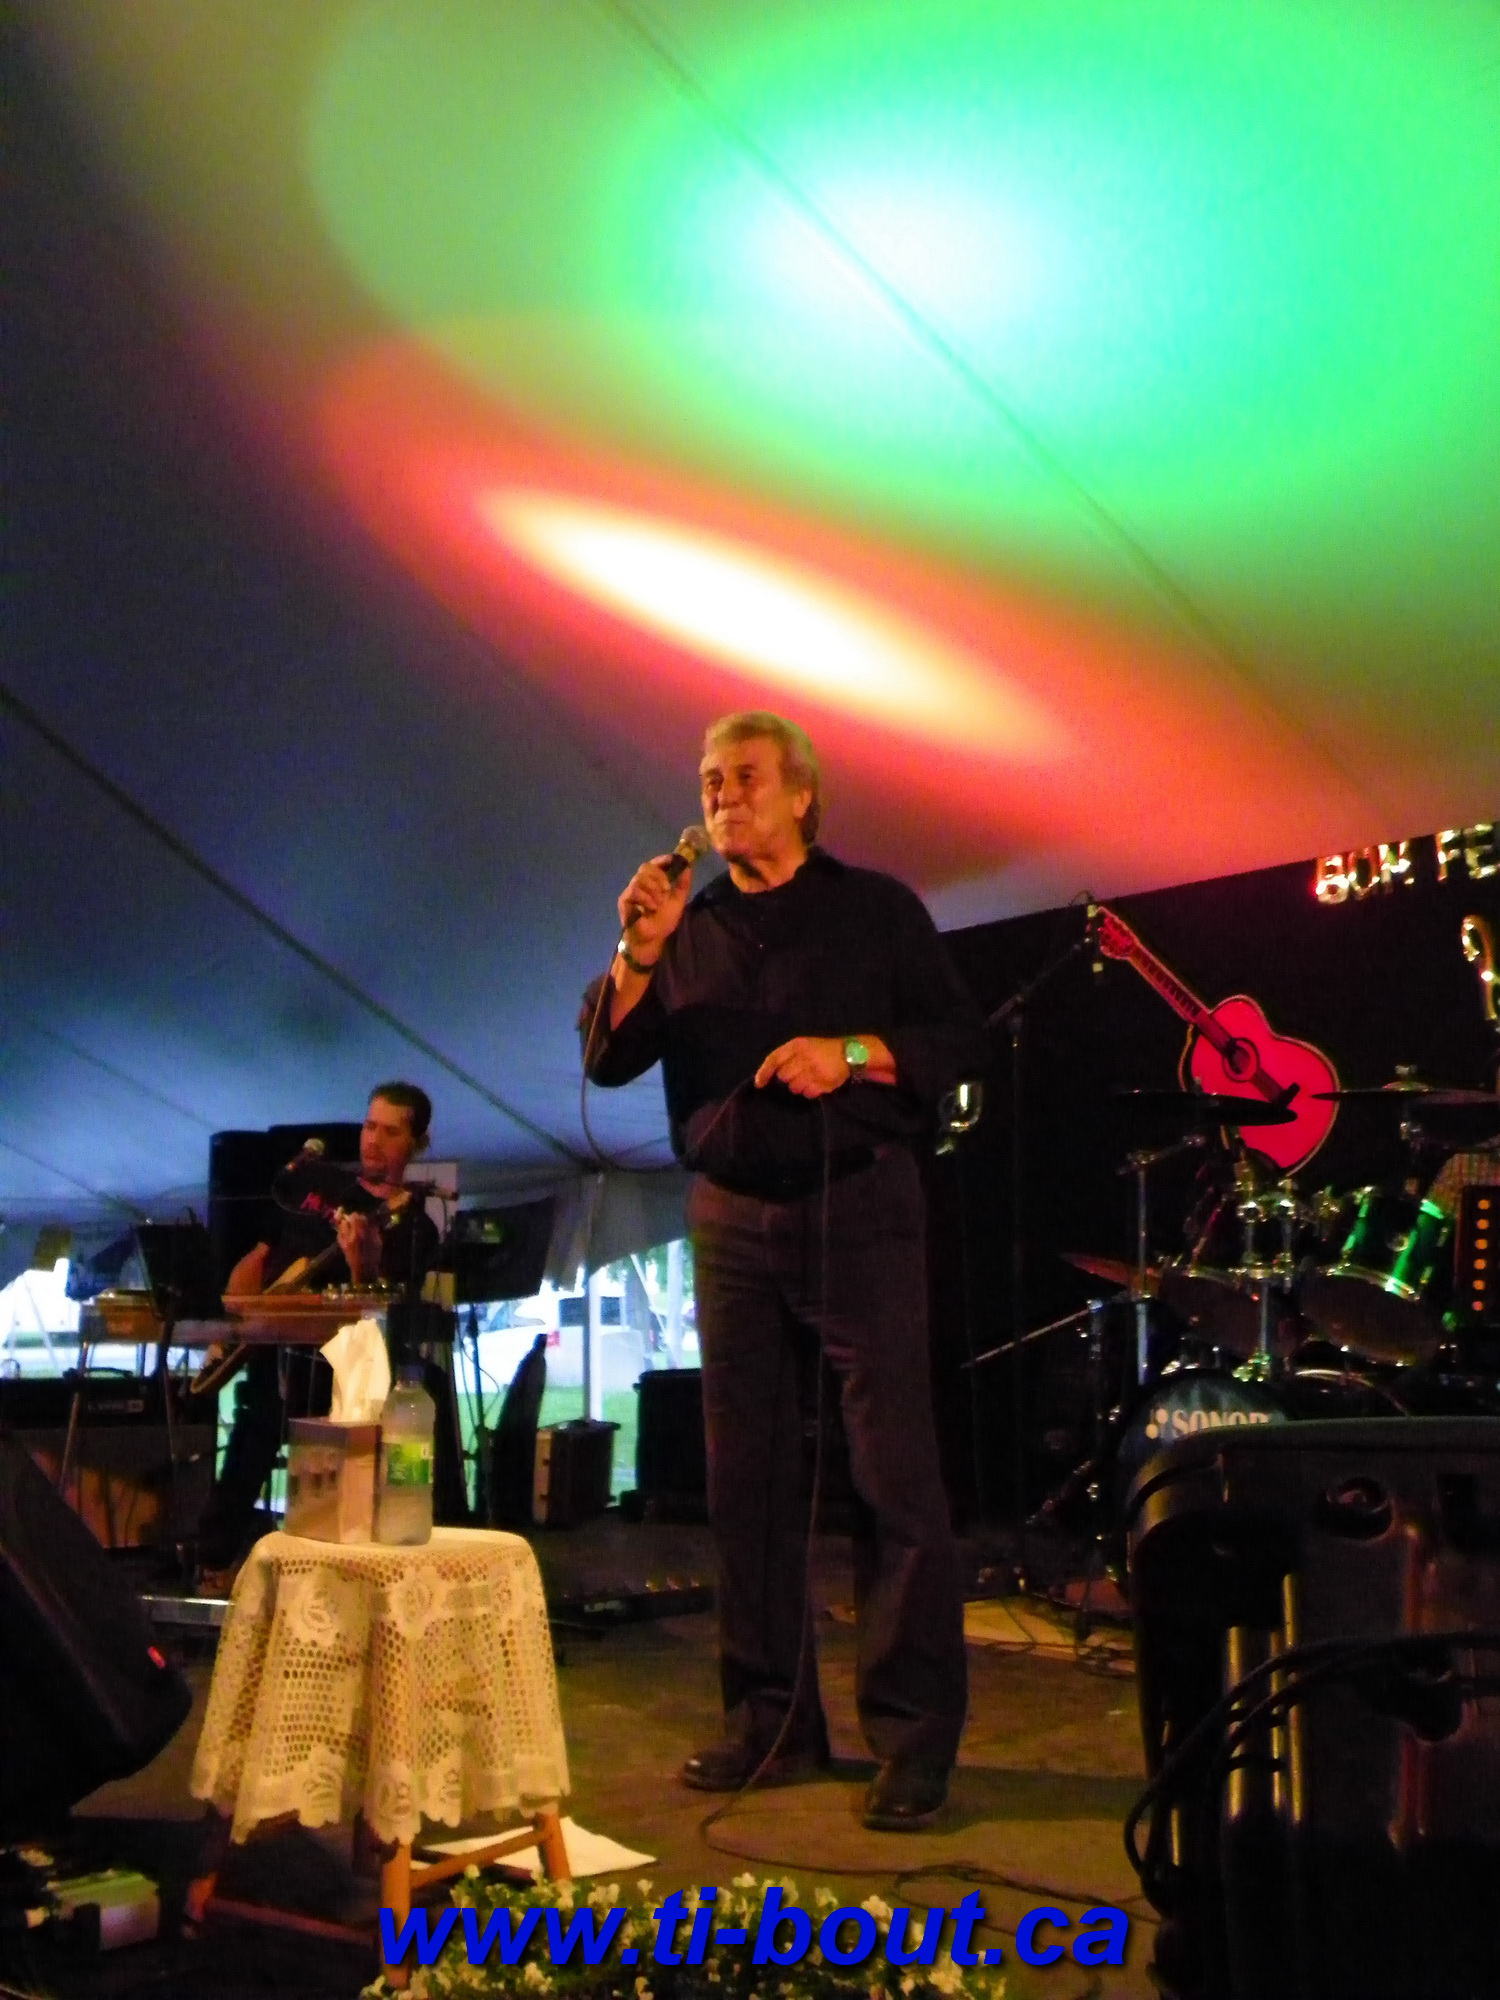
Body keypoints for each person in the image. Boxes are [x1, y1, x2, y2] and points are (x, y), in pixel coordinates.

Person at [582, 712, 989, 1831]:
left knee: (893, 1475)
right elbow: (607, 1059)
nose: (722, 796)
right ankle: (771, 1721)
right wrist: (639, 951)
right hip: (731, 1216)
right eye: (709, 780)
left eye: (745, 778)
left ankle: (912, 1741)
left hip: (860, 1203)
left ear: (803, 794)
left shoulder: (876, 909)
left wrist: (850, 1052)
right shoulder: (688, 924)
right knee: (746, 1478)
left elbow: (960, 1040)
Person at [196, 1083, 441, 1579]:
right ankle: (213, 1561)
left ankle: (330, 1566)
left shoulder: (414, 1227)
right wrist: (232, 1323)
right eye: (369, 1126)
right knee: (254, 1428)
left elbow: (377, 1310)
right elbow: (260, 1255)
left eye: (390, 1132)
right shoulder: (317, 1183)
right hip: (272, 1343)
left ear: (416, 1144)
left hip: (340, 1368)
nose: (373, 1140)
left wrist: (362, 1263)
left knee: (316, 1440)